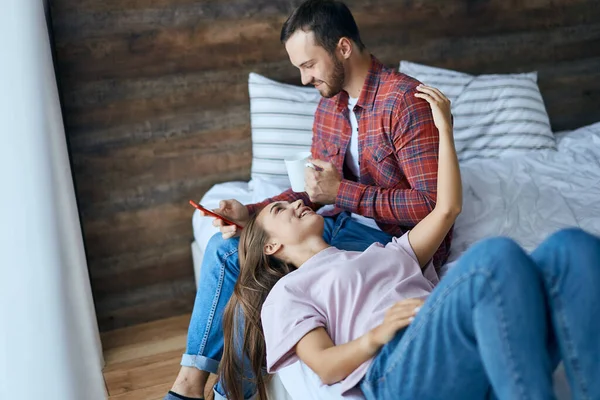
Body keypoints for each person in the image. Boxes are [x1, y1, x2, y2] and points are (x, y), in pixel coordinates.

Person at [221, 85, 600, 400]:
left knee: (573, 248)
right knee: (494, 258)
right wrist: (377, 334)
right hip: (393, 368)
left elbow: (446, 208)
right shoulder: (288, 292)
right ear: (271, 248)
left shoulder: (383, 252)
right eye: (280, 210)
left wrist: (445, 130)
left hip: (452, 337)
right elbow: (325, 365)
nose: (296, 203)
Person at [166, 1, 451, 399]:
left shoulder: (403, 102)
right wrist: (251, 213)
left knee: (250, 266)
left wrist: (343, 194)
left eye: (308, 65)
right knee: (226, 247)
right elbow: (314, 193)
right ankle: (192, 385)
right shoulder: (329, 106)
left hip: (385, 243)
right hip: (335, 221)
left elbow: (430, 205)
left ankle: (220, 396)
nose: (303, 79)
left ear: (344, 48)